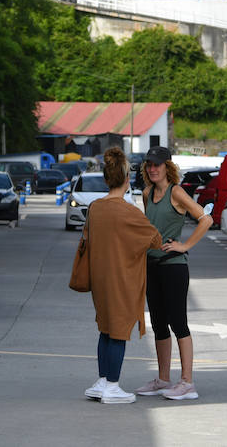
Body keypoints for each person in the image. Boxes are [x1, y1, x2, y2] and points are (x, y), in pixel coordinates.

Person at [83, 147, 163, 405]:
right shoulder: (129, 212)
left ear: (106, 179)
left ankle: (103, 381)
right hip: (122, 279)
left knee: (105, 329)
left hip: (100, 279)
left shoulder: (95, 208)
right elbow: (155, 240)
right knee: (118, 331)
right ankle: (113, 386)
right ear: (127, 179)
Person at [134, 146, 212, 401]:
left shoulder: (176, 192)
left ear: (167, 167)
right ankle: (163, 378)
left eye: (157, 164)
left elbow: (206, 219)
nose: (152, 169)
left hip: (174, 266)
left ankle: (187, 382)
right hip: (151, 266)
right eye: (149, 165)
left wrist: (185, 245)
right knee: (158, 324)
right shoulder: (147, 194)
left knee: (178, 322)